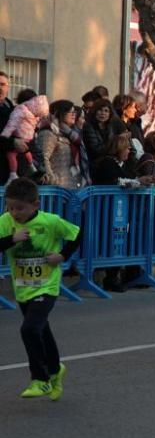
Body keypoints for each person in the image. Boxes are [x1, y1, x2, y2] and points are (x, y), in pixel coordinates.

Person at [0, 178, 80, 398]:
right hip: (23, 287)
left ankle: (40, 379)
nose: (14, 213)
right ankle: (55, 370)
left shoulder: (51, 221)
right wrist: (11, 239)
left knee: (29, 329)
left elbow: (77, 234)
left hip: (47, 286)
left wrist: (63, 255)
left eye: (20, 208)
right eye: (10, 207)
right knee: (41, 330)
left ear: (35, 205)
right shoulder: (5, 223)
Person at [36, 100, 86, 190]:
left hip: (71, 185)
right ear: (60, 113)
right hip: (56, 189)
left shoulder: (70, 134)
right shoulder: (49, 132)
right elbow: (43, 158)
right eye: (70, 112)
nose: (73, 114)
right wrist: (51, 179)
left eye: (74, 112)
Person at [2, 93, 47, 182]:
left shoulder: (28, 120)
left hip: (25, 175)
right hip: (17, 174)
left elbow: (35, 149)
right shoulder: (17, 116)